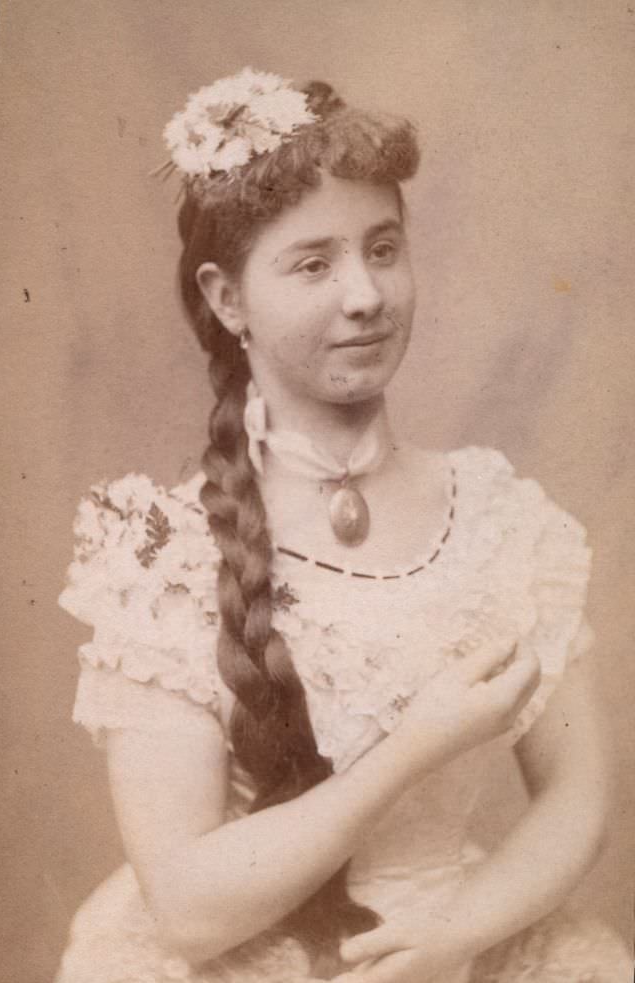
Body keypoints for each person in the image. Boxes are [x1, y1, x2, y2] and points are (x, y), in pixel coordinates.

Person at [55, 69, 632, 983]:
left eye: (384, 248)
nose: (365, 294)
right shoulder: (162, 554)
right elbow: (189, 906)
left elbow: (577, 798)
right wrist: (413, 745)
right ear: (228, 297)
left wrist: (458, 934)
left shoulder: (503, 518)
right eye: (314, 263)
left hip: (461, 945)